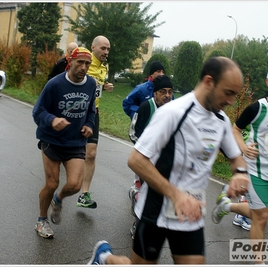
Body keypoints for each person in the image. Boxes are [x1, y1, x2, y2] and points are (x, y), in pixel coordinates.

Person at [88, 56, 250, 264]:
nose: (231, 101)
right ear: (209, 82)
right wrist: (176, 195)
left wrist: (240, 174)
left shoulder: (221, 121)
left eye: (234, 95)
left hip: (191, 215)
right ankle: (106, 257)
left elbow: (236, 157)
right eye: (228, 93)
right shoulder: (173, 113)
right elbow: (136, 160)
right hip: (157, 210)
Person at [211, 64, 268, 264]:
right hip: (255, 172)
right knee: (261, 218)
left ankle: (228, 205)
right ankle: (259, 262)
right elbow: (235, 129)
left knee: (256, 213)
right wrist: (243, 148)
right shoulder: (257, 108)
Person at [32, 47, 96, 239]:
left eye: (87, 64)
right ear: (71, 62)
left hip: (75, 141)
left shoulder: (91, 84)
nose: (84, 67)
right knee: (51, 183)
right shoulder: (55, 84)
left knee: (75, 185)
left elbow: (92, 110)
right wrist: (52, 120)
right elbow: (37, 111)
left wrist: (89, 124)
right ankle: (41, 220)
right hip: (51, 139)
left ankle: (58, 200)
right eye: (80, 63)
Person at [127, 75, 174, 239]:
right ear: (155, 93)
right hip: (144, 160)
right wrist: (146, 150)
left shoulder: (174, 110)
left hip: (164, 162)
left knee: (158, 195)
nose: (167, 95)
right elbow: (133, 133)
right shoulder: (146, 107)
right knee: (145, 194)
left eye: (170, 92)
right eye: (163, 92)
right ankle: (137, 225)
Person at [77, 35, 114, 209]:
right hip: (76, 110)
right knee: (68, 151)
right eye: (103, 48)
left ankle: (83, 195)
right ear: (93, 47)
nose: (106, 52)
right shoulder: (84, 62)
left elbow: (96, 87)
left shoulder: (104, 66)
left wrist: (104, 86)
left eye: (108, 49)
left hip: (93, 113)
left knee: (90, 154)